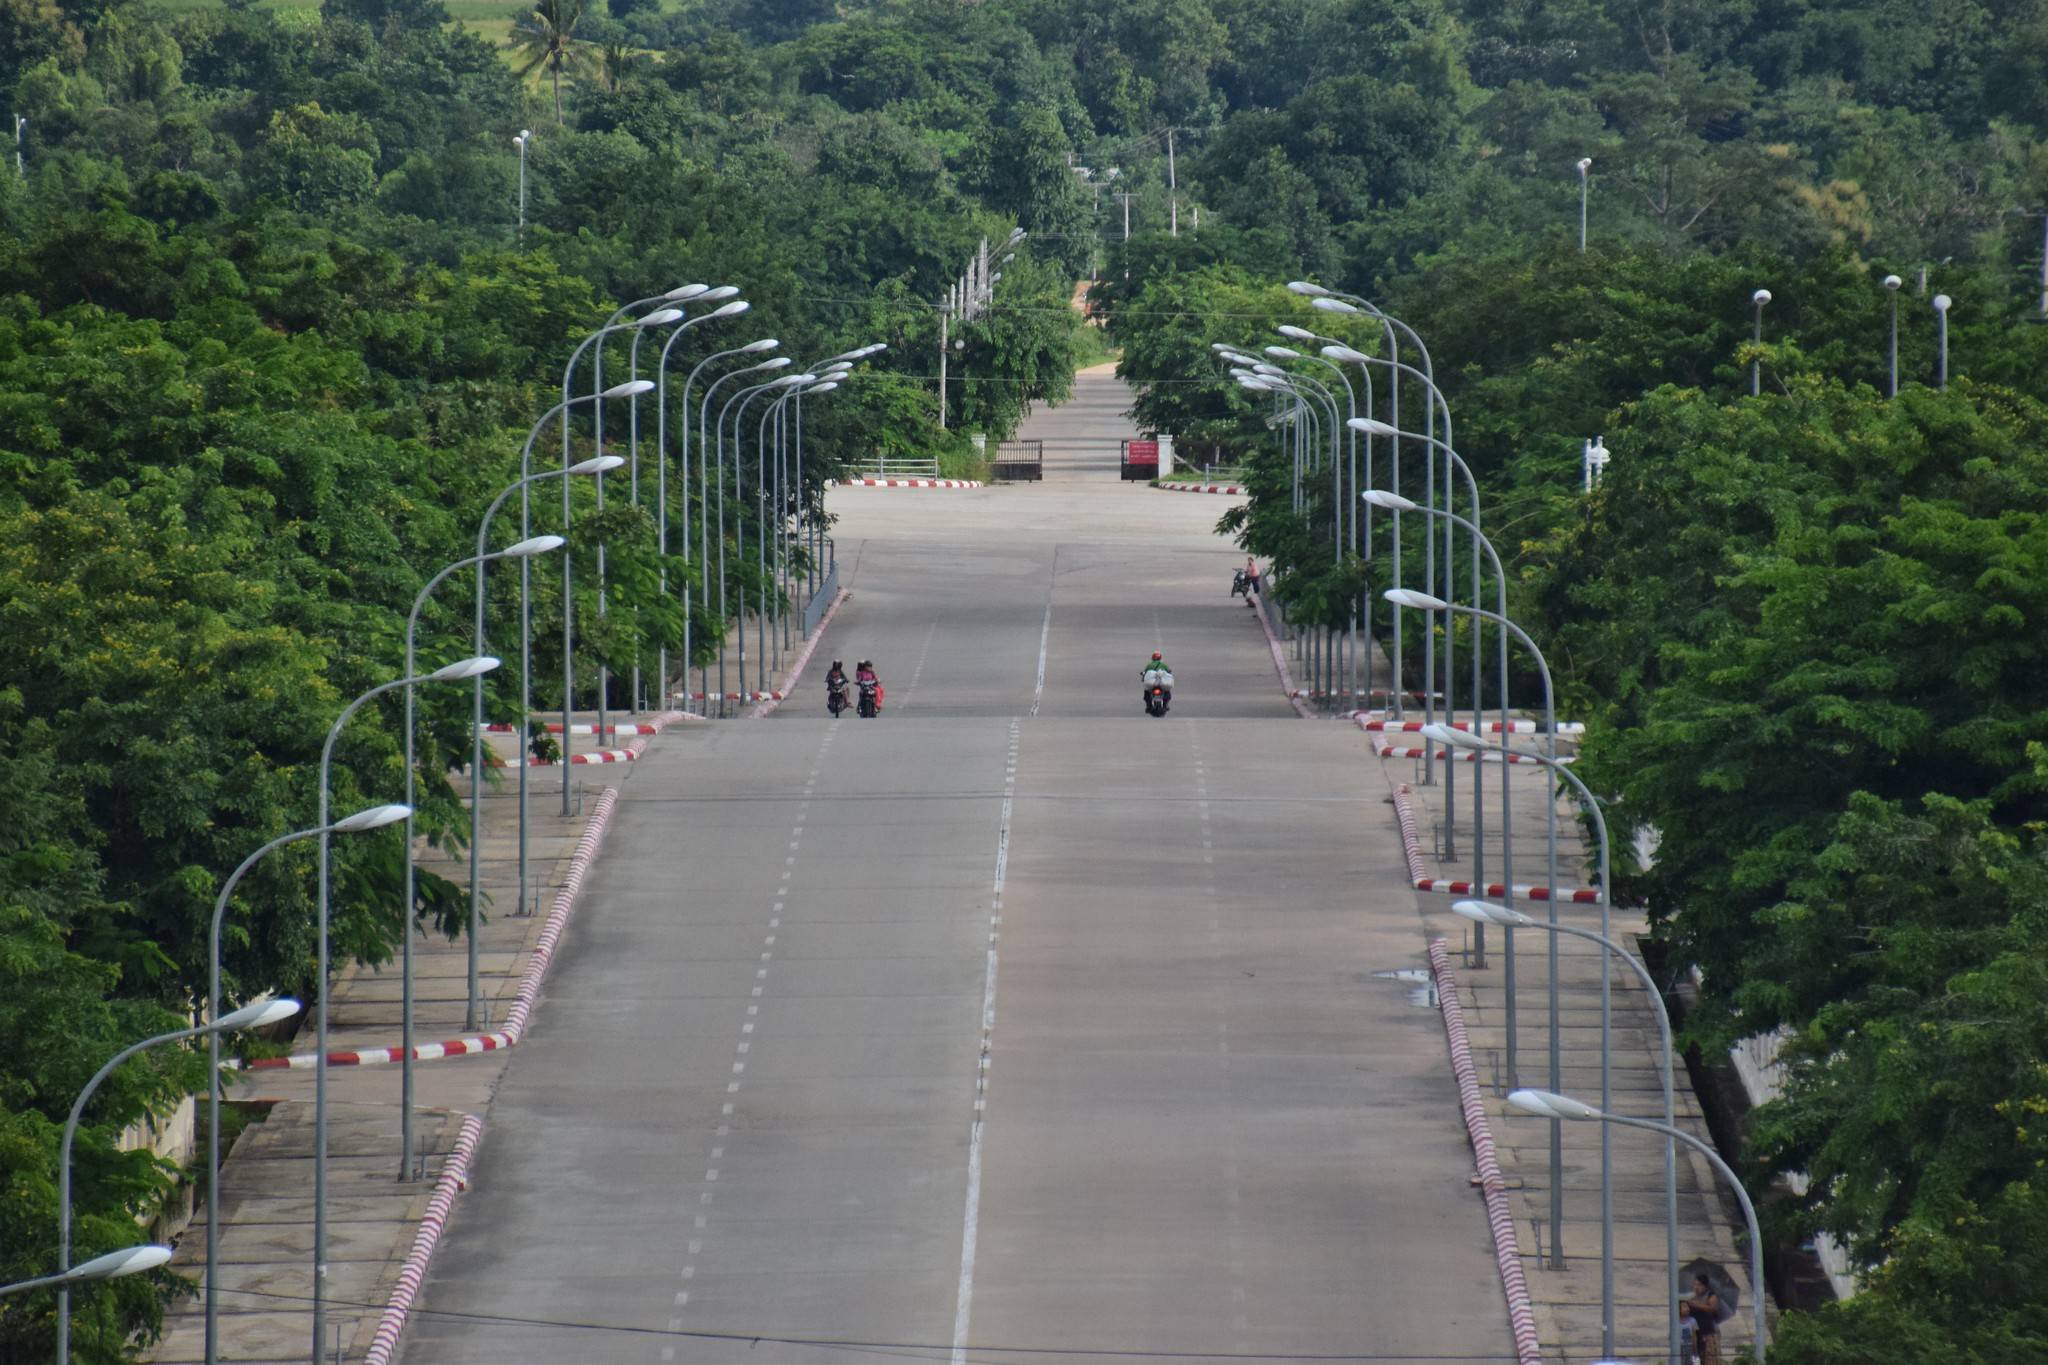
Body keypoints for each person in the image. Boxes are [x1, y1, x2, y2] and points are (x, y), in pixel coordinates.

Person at [1682, 1275, 1722, 1364]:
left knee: (1711, 1359)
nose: (1696, 1287)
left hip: (1709, 1333)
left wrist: (1697, 1305)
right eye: (1695, 1284)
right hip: (1696, 1334)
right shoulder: (1692, 1298)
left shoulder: (1711, 1295)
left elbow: (1713, 1308)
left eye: (1699, 1285)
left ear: (1705, 1286)